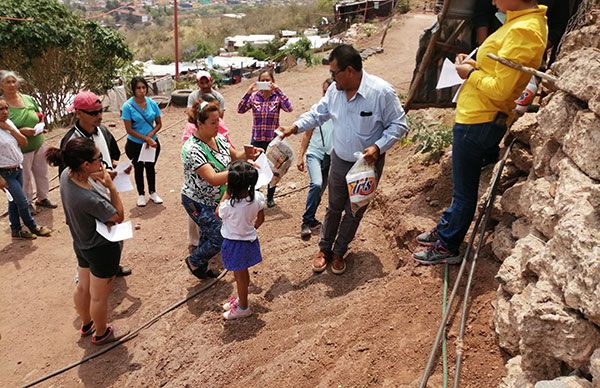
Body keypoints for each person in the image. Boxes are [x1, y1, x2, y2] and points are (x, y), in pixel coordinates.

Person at [413, 0, 548, 264]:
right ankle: (444, 230)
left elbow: (501, 89)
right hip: (476, 116)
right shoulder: (516, 22)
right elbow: (498, 71)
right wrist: (473, 65)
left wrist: (468, 74)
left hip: (480, 120)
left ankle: (448, 246)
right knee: (460, 187)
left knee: (464, 190)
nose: (493, 1)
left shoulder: (524, 31)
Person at [280, 44, 408, 274]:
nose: (331, 78)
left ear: (349, 71)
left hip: (367, 165)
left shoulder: (381, 92)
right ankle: (325, 248)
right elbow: (317, 113)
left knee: (354, 210)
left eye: (334, 73)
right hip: (339, 160)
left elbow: (399, 125)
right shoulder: (334, 92)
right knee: (333, 206)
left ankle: (340, 251)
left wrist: (378, 147)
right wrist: (295, 127)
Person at [46, 137, 129, 345]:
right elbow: (118, 216)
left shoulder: (67, 175)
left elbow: (89, 178)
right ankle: (101, 332)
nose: (101, 162)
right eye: (98, 158)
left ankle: (86, 323)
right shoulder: (87, 198)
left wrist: (103, 175)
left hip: (81, 242)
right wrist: (112, 187)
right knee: (99, 295)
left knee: (82, 286)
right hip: (101, 248)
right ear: (85, 164)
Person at [181, 103, 260, 280]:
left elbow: (236, 157)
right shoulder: (192, 149)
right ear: (200, 124)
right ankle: (194, 260)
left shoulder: (220, 139)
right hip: (198, 201)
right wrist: (241, 171)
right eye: (213, 122)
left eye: (218, 121)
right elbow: (213, 178)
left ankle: (199, 266)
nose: (218, 125)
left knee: (209, 232)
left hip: (219, 198)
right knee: (221, 236)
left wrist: (247, 155)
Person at [61, 90, 132, 277]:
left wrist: (117, 170)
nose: (99, 116)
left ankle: (112, 266)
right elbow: (68, 175)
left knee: (114, 234)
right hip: (86, 201)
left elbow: (113, 157)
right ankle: (87, 273)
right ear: (78, 113)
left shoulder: (104, 132)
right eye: (93, 113)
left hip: (106, 193)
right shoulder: (70, 141)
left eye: (101, 111)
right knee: (91, 240)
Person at [0, 70, 56, 213]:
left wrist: (40, 124)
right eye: (8, 82)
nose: (12, 85)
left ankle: (43, 198)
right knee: (25, 178)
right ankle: (27, 203)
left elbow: (39, 114)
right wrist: (21, 131)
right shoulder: (2, 104)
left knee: (42, 172)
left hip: (38, 142)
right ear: (1, 85)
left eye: (14, 81)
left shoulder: (28, 98)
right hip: (20, 147)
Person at [238, 69, 293, 208]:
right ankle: (255, 197)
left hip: (272, 139)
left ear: (272, 81)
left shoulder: (277, 97)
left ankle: (270, 197)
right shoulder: (254, 97)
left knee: (273, 168)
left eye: (268, 80)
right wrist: (248, 92)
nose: (265, 83)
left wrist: (279, 90)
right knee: (255, 168)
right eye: (262, 80)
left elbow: (289, 108)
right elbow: (240, 109)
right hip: (257, 138)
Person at [218, 161, 265, 320]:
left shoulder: (229, 206)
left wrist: (226, 192)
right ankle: (241, 299)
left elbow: (218, 211)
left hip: (234, 244)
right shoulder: (257, 198)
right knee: (243, 275)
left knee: (239, 277)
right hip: (249, 241)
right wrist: (249, 229)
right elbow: (260, 218)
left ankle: (243, 307)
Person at [0, 98, 51, 239]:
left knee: (13, 202)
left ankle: (16, 230)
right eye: (0, 109)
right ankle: (33, 226)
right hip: (5, 173)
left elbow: (23, 142)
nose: (5, 112)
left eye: (6, 108)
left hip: (17, 169)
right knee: (22, 202)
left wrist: (10, 129)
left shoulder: (9, 123)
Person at [297, 78, 334, 239]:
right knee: (317, 183)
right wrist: (300, 156)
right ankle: (305, 222)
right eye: (324, 91)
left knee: (322, 189)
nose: (326, 95)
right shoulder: (317, 109)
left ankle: (311, 218)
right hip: (315, 152)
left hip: (332, 156)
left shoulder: (342, 110)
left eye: (329, 91)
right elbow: (307, 134)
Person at [122, 76, 163, 207]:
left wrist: (151, 135)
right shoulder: (127, 106)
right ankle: (141, 195)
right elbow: (129, 130)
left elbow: (159, 123)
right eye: (138, 88)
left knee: (150, 167)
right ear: (133, 90)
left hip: (152, 142)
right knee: (138, 169)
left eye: (144, 87)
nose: (141, 90)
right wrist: (146, 139)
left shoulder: (152, 104)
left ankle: (153, 192)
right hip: (135, 143)